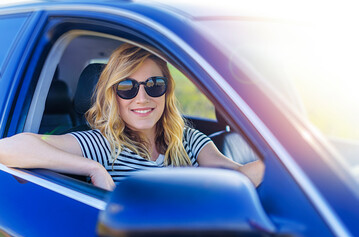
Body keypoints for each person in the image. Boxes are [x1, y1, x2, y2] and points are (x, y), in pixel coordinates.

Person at [0, 43, 264, 191]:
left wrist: (295, 154)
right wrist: (94, 168)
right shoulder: (102, 145)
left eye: (154, 85)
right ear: (113, 95)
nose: (142, 98)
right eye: (127, 87)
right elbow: (8, 148)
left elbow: (240, 176)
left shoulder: (188, 139)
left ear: (166, 91)